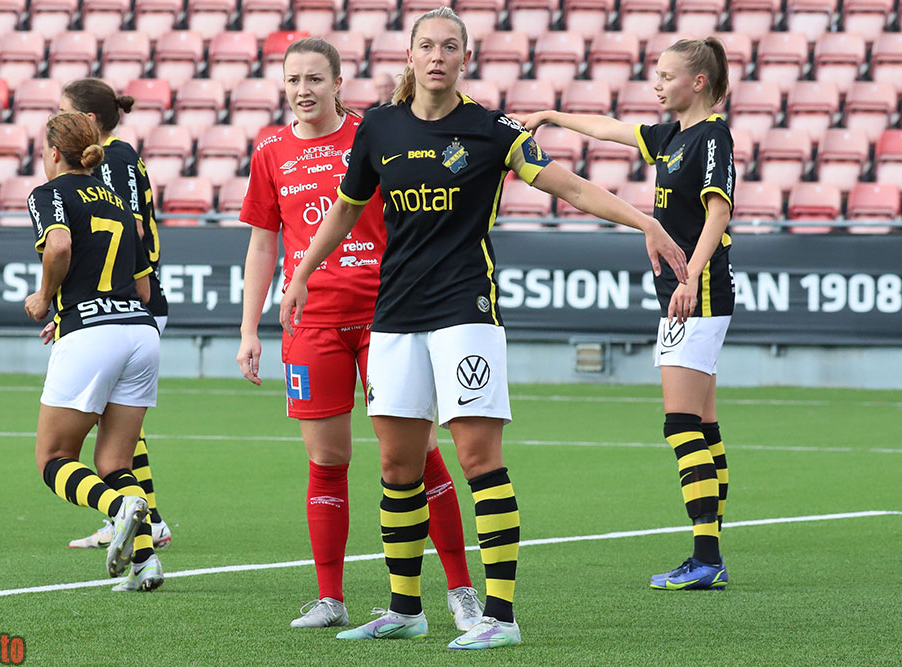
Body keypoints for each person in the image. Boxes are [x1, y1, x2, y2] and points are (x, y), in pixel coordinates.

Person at [279, 7, 688, 650]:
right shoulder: (378, 127)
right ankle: (405, 609)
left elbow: (572, 188)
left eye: (450, 47)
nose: (437, 56)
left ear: (465, 59)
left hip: (466, 313)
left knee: (478, 461)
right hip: (395, 316)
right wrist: (302, 272)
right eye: (426, 46)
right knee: (397, 465)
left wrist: (648, 223)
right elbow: (346, 209)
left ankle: (500, 615)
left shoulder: (494, 130)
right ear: (410, 56)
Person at [237, 36, 485, 631]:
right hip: (312, 323)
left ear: (337, 83)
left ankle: (460, 590)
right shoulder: (270, 150)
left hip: (388, 316)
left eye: (315, 79)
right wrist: (248, 328)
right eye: (294, 79)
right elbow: (264, 243)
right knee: (327, 460)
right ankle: (331, 599)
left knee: (418, 455)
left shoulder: (374, 133)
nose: (303, 90)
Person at [510, 37, 735, 591]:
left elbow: (718, 212)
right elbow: (609, 128)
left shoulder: (712, 135)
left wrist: (691, 277)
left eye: (666, 76)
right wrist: (550, 117)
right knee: (703, 424)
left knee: (680, 424)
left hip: (698, 290)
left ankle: (706, 558)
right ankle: (710, 553)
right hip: (685, 290)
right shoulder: (671, 136)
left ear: (698, 82)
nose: (656, 84)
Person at [26, 111, 164, 592]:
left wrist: (45, 299)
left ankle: (116, 507)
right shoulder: (116, 200)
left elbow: (60, 246)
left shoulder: (48, 193)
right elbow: (144, 288)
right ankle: (145, 563)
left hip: (92, 335)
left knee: (53, 457)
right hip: (140, 332)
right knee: (116, 463)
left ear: (54, 153)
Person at [53, 78, 172, 552]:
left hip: (128, 300)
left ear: (89, 120)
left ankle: (139, 516)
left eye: (64, 111)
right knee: (121, 429)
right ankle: (142, 518)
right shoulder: (117, 156)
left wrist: (92, 299)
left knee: (114, 430)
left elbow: (130, 228)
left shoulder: (115, 158)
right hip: (126, 302)